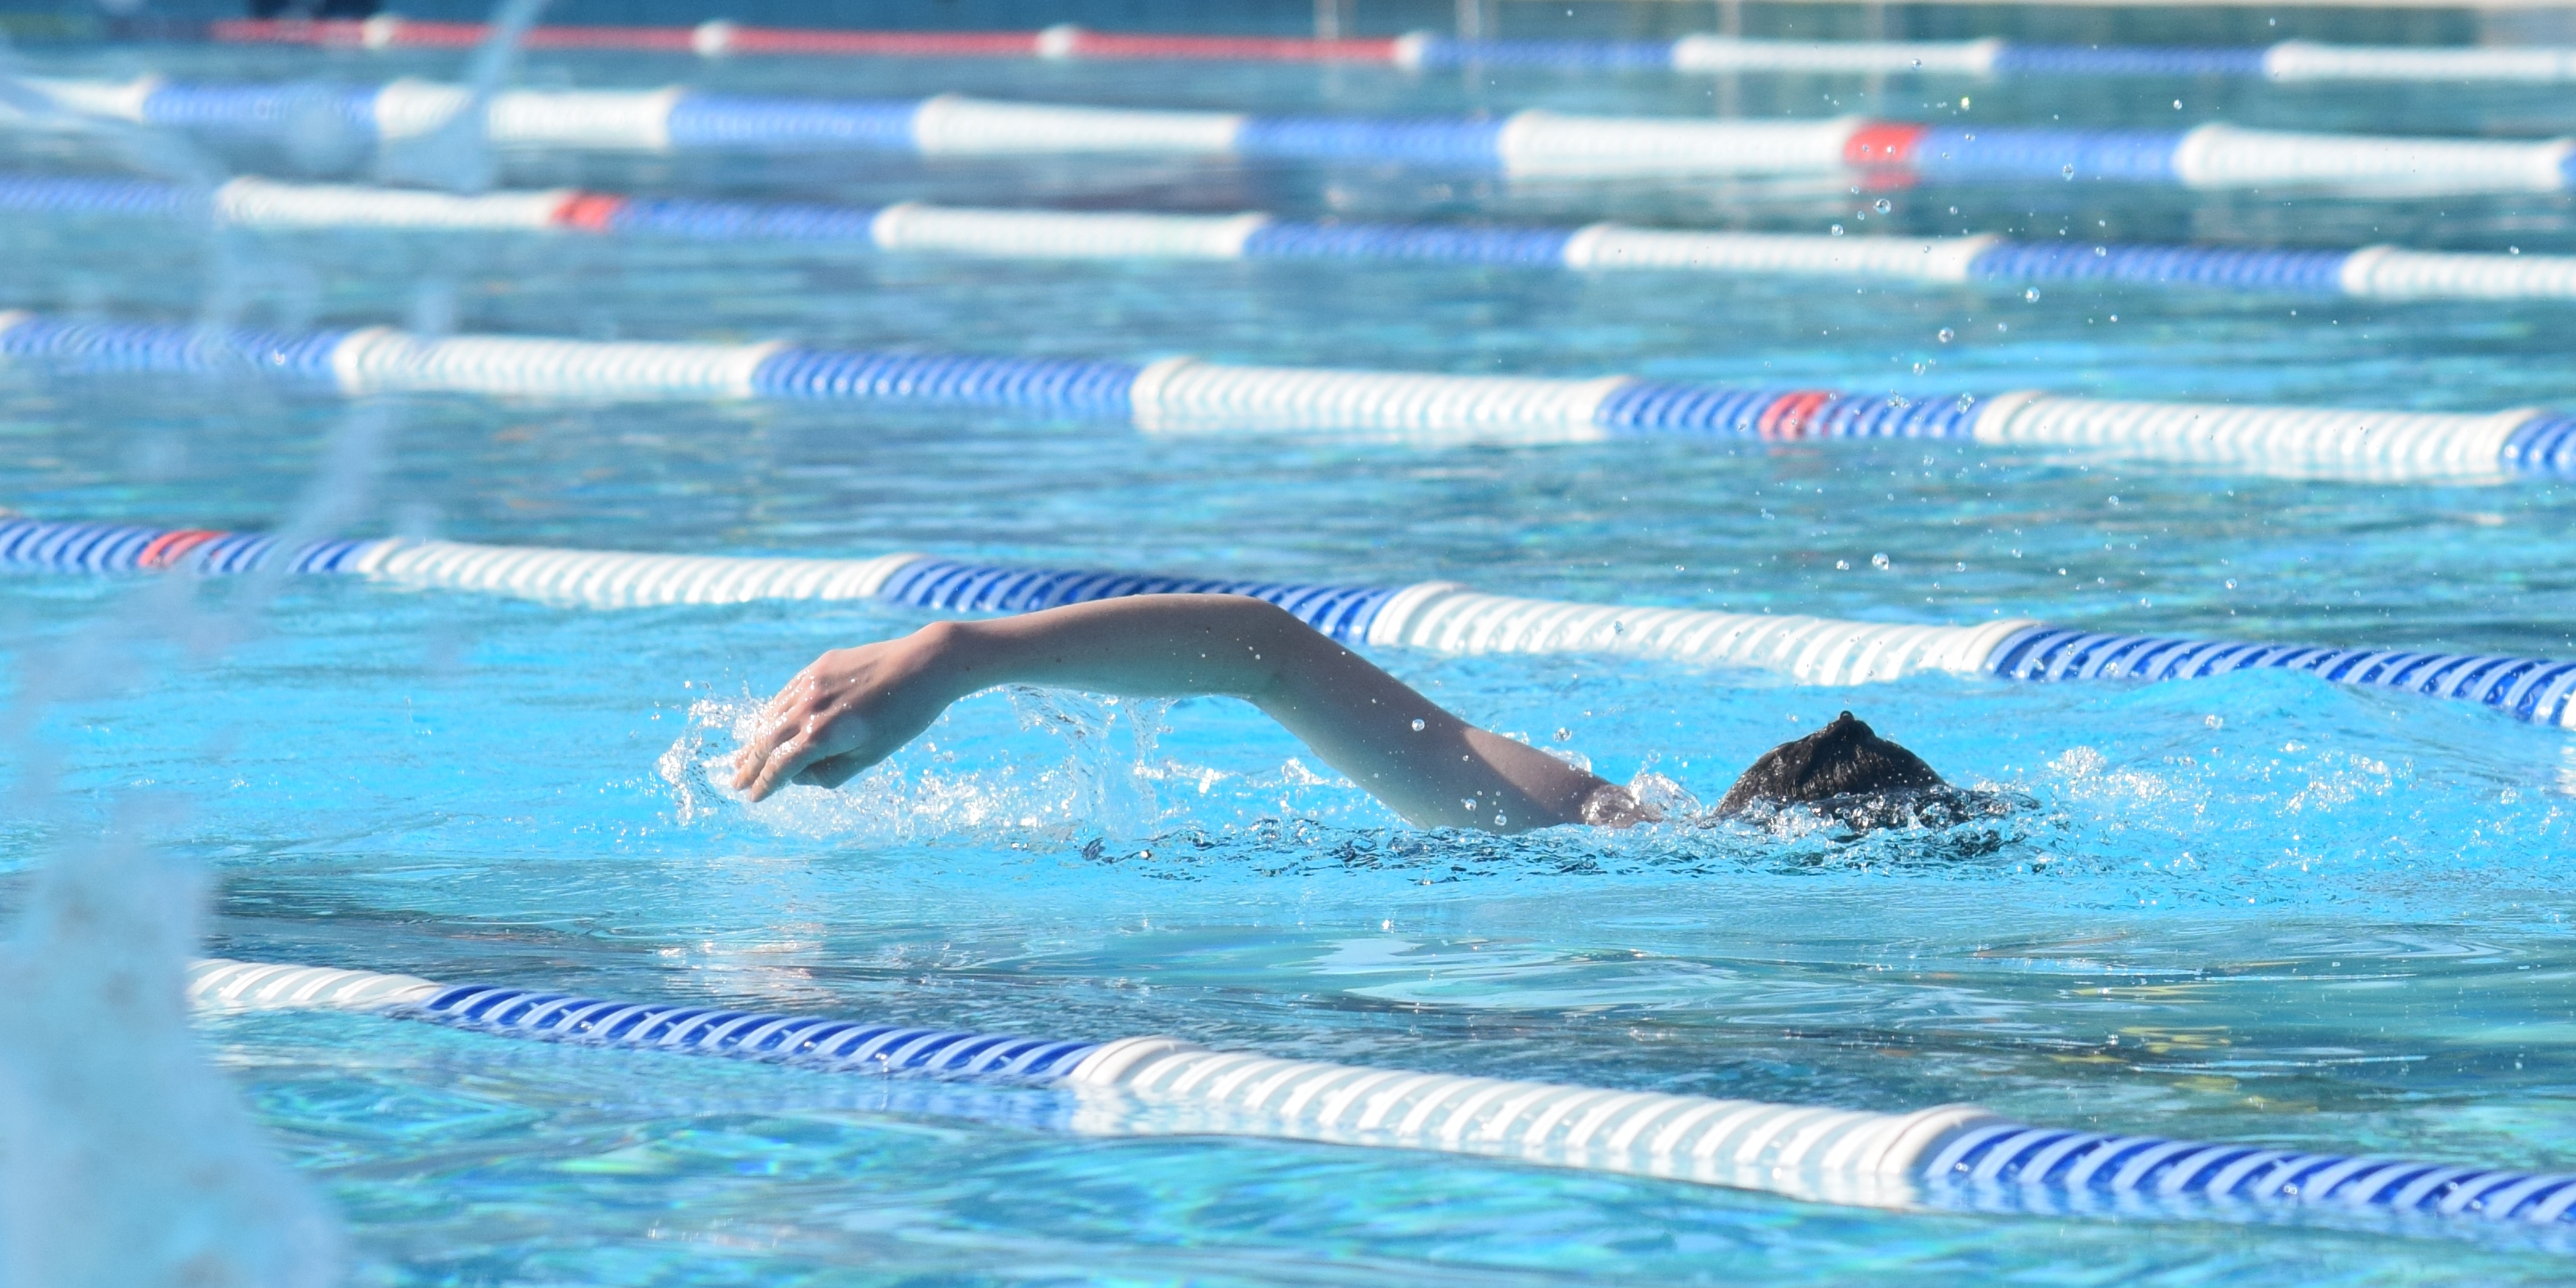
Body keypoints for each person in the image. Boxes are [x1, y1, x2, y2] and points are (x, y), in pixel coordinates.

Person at [726, 591, 1961, 834]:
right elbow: (1265, 649)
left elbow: (1268, 654)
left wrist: (959, 654)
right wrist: (954, 652)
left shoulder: (1601, 826)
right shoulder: (1602, 837)